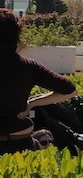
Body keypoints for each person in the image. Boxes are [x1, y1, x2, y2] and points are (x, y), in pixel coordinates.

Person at [0, 8, 76, 154]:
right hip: (20, 142)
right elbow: (69, 90)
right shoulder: (28, 66)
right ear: (17, 34)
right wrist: (31, 103)